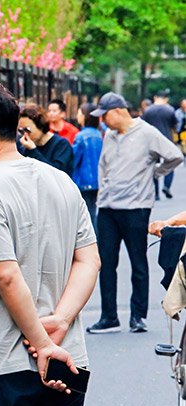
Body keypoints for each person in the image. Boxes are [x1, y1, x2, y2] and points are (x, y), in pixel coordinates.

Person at [0, 75, 100, 406]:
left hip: (6, 362)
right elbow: (89, 260)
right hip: (68, 359)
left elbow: (6, 275)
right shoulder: (60, 180)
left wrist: (41, 344)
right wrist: (60, 322)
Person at [86, 92, 183, 334]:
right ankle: (109, 316)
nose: (103, 121)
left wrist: (153, 174)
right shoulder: (109, 134)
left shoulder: (147, 132)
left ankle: (138, 316)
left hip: (136, 208)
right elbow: (103, 165)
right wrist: (103, 188)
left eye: (105, 115)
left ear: (118, 111)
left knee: (138, 262)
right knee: (106, 263)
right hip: (108, 208)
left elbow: (175, 156)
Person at [17, 104, 74, 177]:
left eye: (27, 130)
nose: (25, 135)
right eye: (21, 131)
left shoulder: (62, 145)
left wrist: (33, 150)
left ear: (40, 126)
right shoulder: (24, 146)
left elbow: (56, 175)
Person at [72, 103, 103, 231]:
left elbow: (73, 159)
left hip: (83, 181)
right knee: (92, 213)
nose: (77, 116)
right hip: (95, 181)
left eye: (79, 113)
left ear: (86, 116)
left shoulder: (81, 136)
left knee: (86, 217)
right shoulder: (97, 134)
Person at [143, 90, 177, 199]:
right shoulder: (170, 110)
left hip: (151, 141)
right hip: (167, 139)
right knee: (171, 162)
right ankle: (166, 186)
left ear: (154, 98)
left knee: (152, 165)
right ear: (166, 99)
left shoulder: (148, 110)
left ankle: (155, 192)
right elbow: (174, 125)